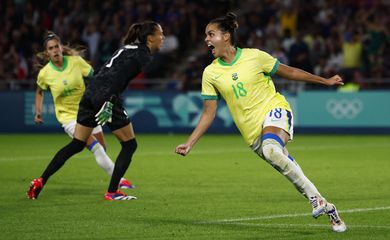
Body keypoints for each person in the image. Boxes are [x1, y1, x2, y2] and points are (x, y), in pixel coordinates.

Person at [175, 13, 347, 233]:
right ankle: (325, 205)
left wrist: (324, 80)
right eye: (206, 35)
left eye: (211, 34)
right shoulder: (210, 73)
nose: (206, 40)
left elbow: (290, 72)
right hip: (251, 132)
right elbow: (209, 113)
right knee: (286, 167)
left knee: (272, 149)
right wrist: (190, 142)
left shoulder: (254, 57)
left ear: (226, 36)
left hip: (274, 109)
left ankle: (319, 202)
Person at [27, 22, 164, 200]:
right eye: (161, 34)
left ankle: (40, 180)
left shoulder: (130, 47)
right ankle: (113, 191)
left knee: (77, 144)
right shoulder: (142, 54)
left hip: (90, 92)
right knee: (130, 145)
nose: (163, 37)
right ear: (150, 38)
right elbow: (119, 79)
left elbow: (104, 72)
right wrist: (110, 102)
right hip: (105, 95)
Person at [31, 31, 134, 192]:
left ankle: (114, 177)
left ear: (61, 47)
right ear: (47, 52)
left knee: (102, 147)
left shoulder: (76, 62)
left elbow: (96, 78)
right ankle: (119, 181)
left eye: (56, 46)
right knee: (96, 148)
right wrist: (38, 112)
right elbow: (39, 91)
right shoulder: (45, 74)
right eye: (51, 48)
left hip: (88, 110)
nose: (55, 50)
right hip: (69, 119)